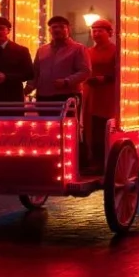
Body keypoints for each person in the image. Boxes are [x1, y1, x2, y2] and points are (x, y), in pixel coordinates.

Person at [25, 15, 91, 116]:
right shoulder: (42, 50)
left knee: (67, 127)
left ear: (68, 29)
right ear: (49, 30)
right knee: (47, 126)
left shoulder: (78, 49)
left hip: (68, 95)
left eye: (61, 27)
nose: (57, 30)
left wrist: (67, 81)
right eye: (54, 27)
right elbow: (36, 72)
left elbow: (85, 71)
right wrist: (28, 87)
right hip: (44, 96)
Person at [84, 19, 116, 174]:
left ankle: (103, 160)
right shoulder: (88, 51)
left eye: (100, 31)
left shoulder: (115, 50)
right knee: (90, 127)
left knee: (102, 127)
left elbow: (120, 71)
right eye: (94, 31)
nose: (96, 34)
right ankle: (92, 159)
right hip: (91, 93)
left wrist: (106, 78)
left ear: (109, 33)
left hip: (107, 94)